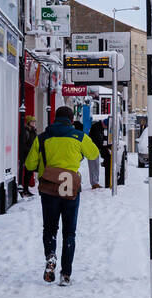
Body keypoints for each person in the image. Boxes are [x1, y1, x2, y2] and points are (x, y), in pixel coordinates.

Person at [24, 106, 99, 286]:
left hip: (49, 188)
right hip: (70, 189)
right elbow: (94, 153)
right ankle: (65, 275)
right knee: (69, 232)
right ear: (71, 120)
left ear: (55, 119)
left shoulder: (42, 137)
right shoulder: (79, 137)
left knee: (49, 229)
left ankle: (50, 255)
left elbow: (29, 164)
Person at [18, 114, 37, 196]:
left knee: (29, 172)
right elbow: (23, 144)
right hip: (27, 155)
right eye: (32, 121)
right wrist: (31, 150)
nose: (34, 123)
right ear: (29, 122)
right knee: (27, 172)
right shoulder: (26, 131)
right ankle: (25, 189)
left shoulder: (33, 131)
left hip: (31, 155)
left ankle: (26, 189)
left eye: (34, 122)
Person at [89, 116, 111, 188]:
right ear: (105, 124)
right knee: (93, 166)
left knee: (95, 165)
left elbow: (102, 138)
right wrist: (105, 145)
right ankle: (94, 183)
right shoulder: (96, 127)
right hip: (91, 149)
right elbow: (99, 140)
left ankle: (95, 182)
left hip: (95, 149)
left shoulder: (99, 127)